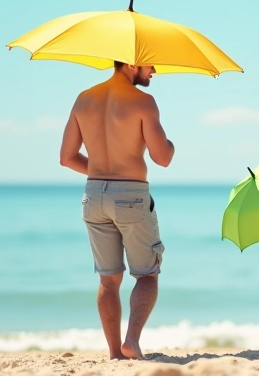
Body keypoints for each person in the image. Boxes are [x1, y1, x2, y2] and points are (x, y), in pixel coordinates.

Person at [59, 61, 175, 360]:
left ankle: (115, 352)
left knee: (108, 279)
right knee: (147, 275)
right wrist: (170, 144)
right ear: (132, 62)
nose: (154, 70)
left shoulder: (83, 98)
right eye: (150, 64)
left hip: (93, 195)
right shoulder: (143, 102)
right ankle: (131, 341)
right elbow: (162, 158)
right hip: (131, 195)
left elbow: (67, 157)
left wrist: (102, 173)